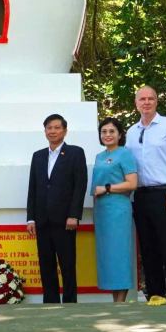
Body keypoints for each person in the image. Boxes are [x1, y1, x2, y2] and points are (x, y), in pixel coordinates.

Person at [127, 86, 166, 300]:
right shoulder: (132, 132)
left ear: (157, 101)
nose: (146, 102)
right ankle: (156, 294)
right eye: (142, 99)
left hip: (165, 194)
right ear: (136, 103)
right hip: (140, 196)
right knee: (148, 248)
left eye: (151, 98)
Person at [26, 114, 87, 303]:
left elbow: (80, 185)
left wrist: (74, 215)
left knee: (67, 265)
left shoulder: (76, 153)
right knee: (46, 265)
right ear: (45, 131)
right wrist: (31, 218)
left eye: (56, 127)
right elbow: (33, 188)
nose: (52, 131)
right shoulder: (38, 156)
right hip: (42, 220)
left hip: (65, 221)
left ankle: (70, 303)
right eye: (49, 128)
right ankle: (50, 303)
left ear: (65, 131)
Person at [91, 117, 138, 302]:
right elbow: (94, 189)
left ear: (119, 134)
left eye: (111, 131)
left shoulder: (124, 154)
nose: (107, 135)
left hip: (118, 210)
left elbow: (132, 183)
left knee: (120, 254)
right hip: (102, 212)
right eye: (104, 132)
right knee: (108, 257)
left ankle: (121, 302)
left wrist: (108, 188)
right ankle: (115, 301)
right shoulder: (99, 156)